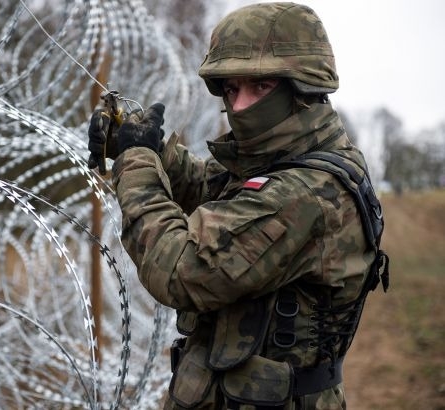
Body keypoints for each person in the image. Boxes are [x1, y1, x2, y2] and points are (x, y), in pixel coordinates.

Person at [87, 2, 388, 409]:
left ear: (304, 89)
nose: (241, 106)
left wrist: (137, 162)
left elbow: (179, 269)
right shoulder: (293, 158)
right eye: (231, 90)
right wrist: (150, 147)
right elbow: (214, 188)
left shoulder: (306, 192)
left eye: (259, 87)